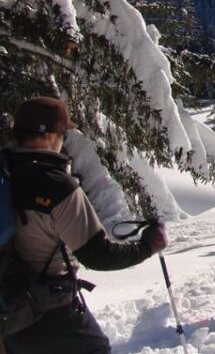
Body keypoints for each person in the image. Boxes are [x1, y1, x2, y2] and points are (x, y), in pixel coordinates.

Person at [2, 96, 167, 354]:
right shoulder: (57, 187)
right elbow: (98, 255)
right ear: (49, 136)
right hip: (49, 309)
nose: (63, 141)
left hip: (7, 311)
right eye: (62, 134)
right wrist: (147, 246)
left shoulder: (5, 173)